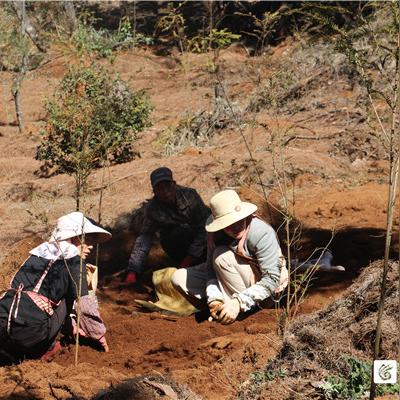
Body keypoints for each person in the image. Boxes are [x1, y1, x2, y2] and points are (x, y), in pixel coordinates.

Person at [0, 211, 111, 361]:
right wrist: (98, 334)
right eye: (86, 239)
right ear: (73, 237)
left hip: (3, 323)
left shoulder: (35, 255)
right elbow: (83, 306)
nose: (90, 246)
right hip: (30, 335)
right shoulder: (73, 261)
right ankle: (46, 349)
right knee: (68, 297)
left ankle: (12, 349)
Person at [171, 189, 288, 325]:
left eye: (238, 220)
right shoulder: (214, 235)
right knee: (178, 278)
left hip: (266, 292)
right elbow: (210, 270)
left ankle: (240, 312)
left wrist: (238, 302)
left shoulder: (261, 232)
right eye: (228, 224)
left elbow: (271, 280)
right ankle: (220, 311)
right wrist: (214, 297)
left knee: (222, 257)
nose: (235, 227)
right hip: (230, 278)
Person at [125, 167, 211, 284]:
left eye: (167, 186)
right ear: (154, 192)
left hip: (206, 239)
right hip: (182, 241)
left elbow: (204, 227)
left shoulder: (190, 196)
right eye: (160, 188)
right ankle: (186, 265)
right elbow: (144, 239)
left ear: (174, 184)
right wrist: (133, 271)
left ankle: (198, 261)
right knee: (173, 236)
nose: (165, 191)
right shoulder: (153, 209)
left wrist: (190, 257)